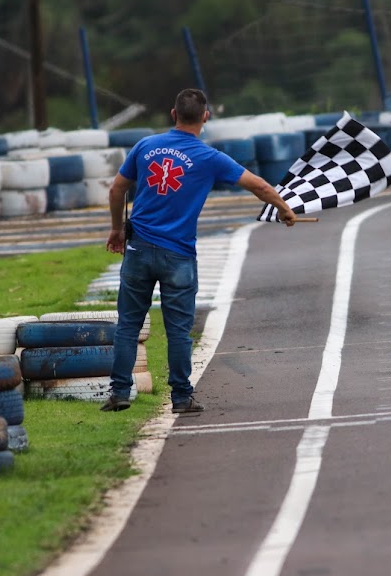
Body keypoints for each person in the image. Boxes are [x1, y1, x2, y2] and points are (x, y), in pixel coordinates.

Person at [101, 88, 298, 413]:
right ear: (205, 117)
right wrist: (284, 209)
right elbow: (258, 185)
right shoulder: (209, 157)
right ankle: (181, 398)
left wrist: (116, 228)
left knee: (128, 325)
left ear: (173, 113)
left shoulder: (145, 146)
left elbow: (117, 188)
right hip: (177, 253)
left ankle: (120, 393)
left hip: (137, 249)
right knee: (178, 330)